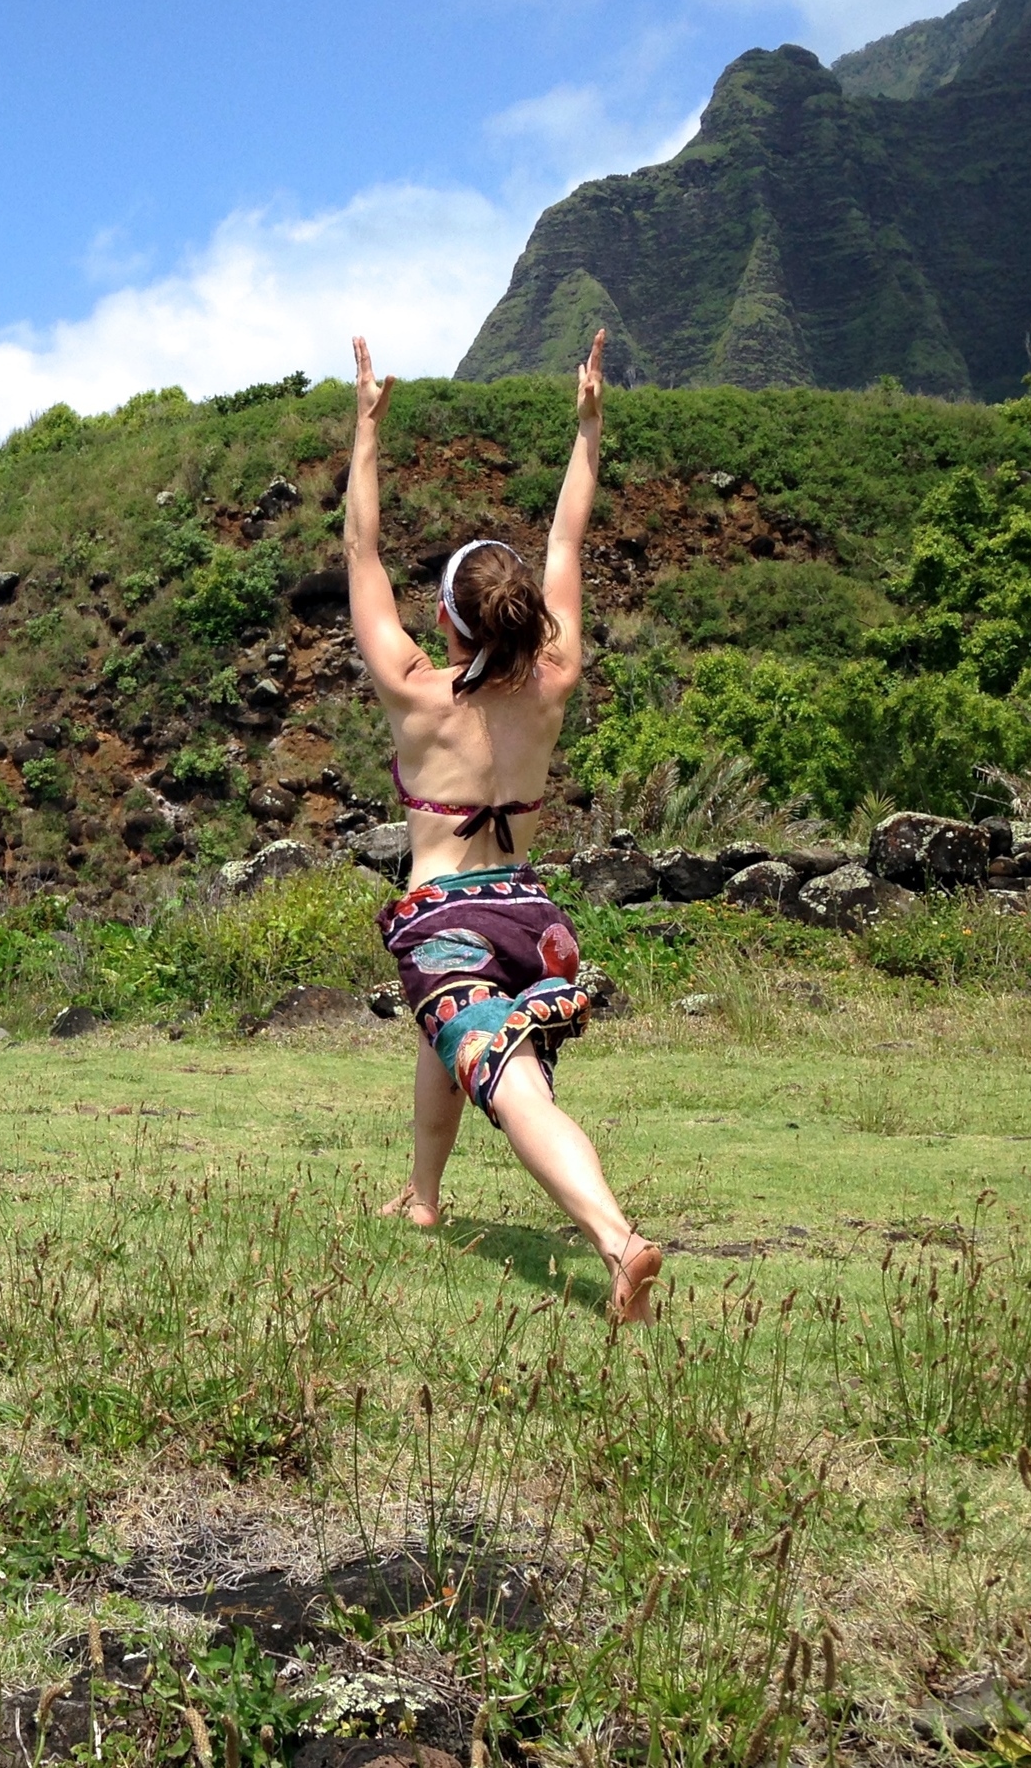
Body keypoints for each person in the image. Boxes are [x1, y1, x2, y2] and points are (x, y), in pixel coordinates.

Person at [343, 328, 662, 1324]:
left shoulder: (414, 691)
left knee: (512, 1086)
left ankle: (617, 1241)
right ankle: (425, 1200)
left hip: (448, 914)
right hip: (533, 917)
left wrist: (364, 429)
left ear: (446, 623)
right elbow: (566, 542)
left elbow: (360, 549)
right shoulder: (553, 681)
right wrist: (587, 426)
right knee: (448, 1039)